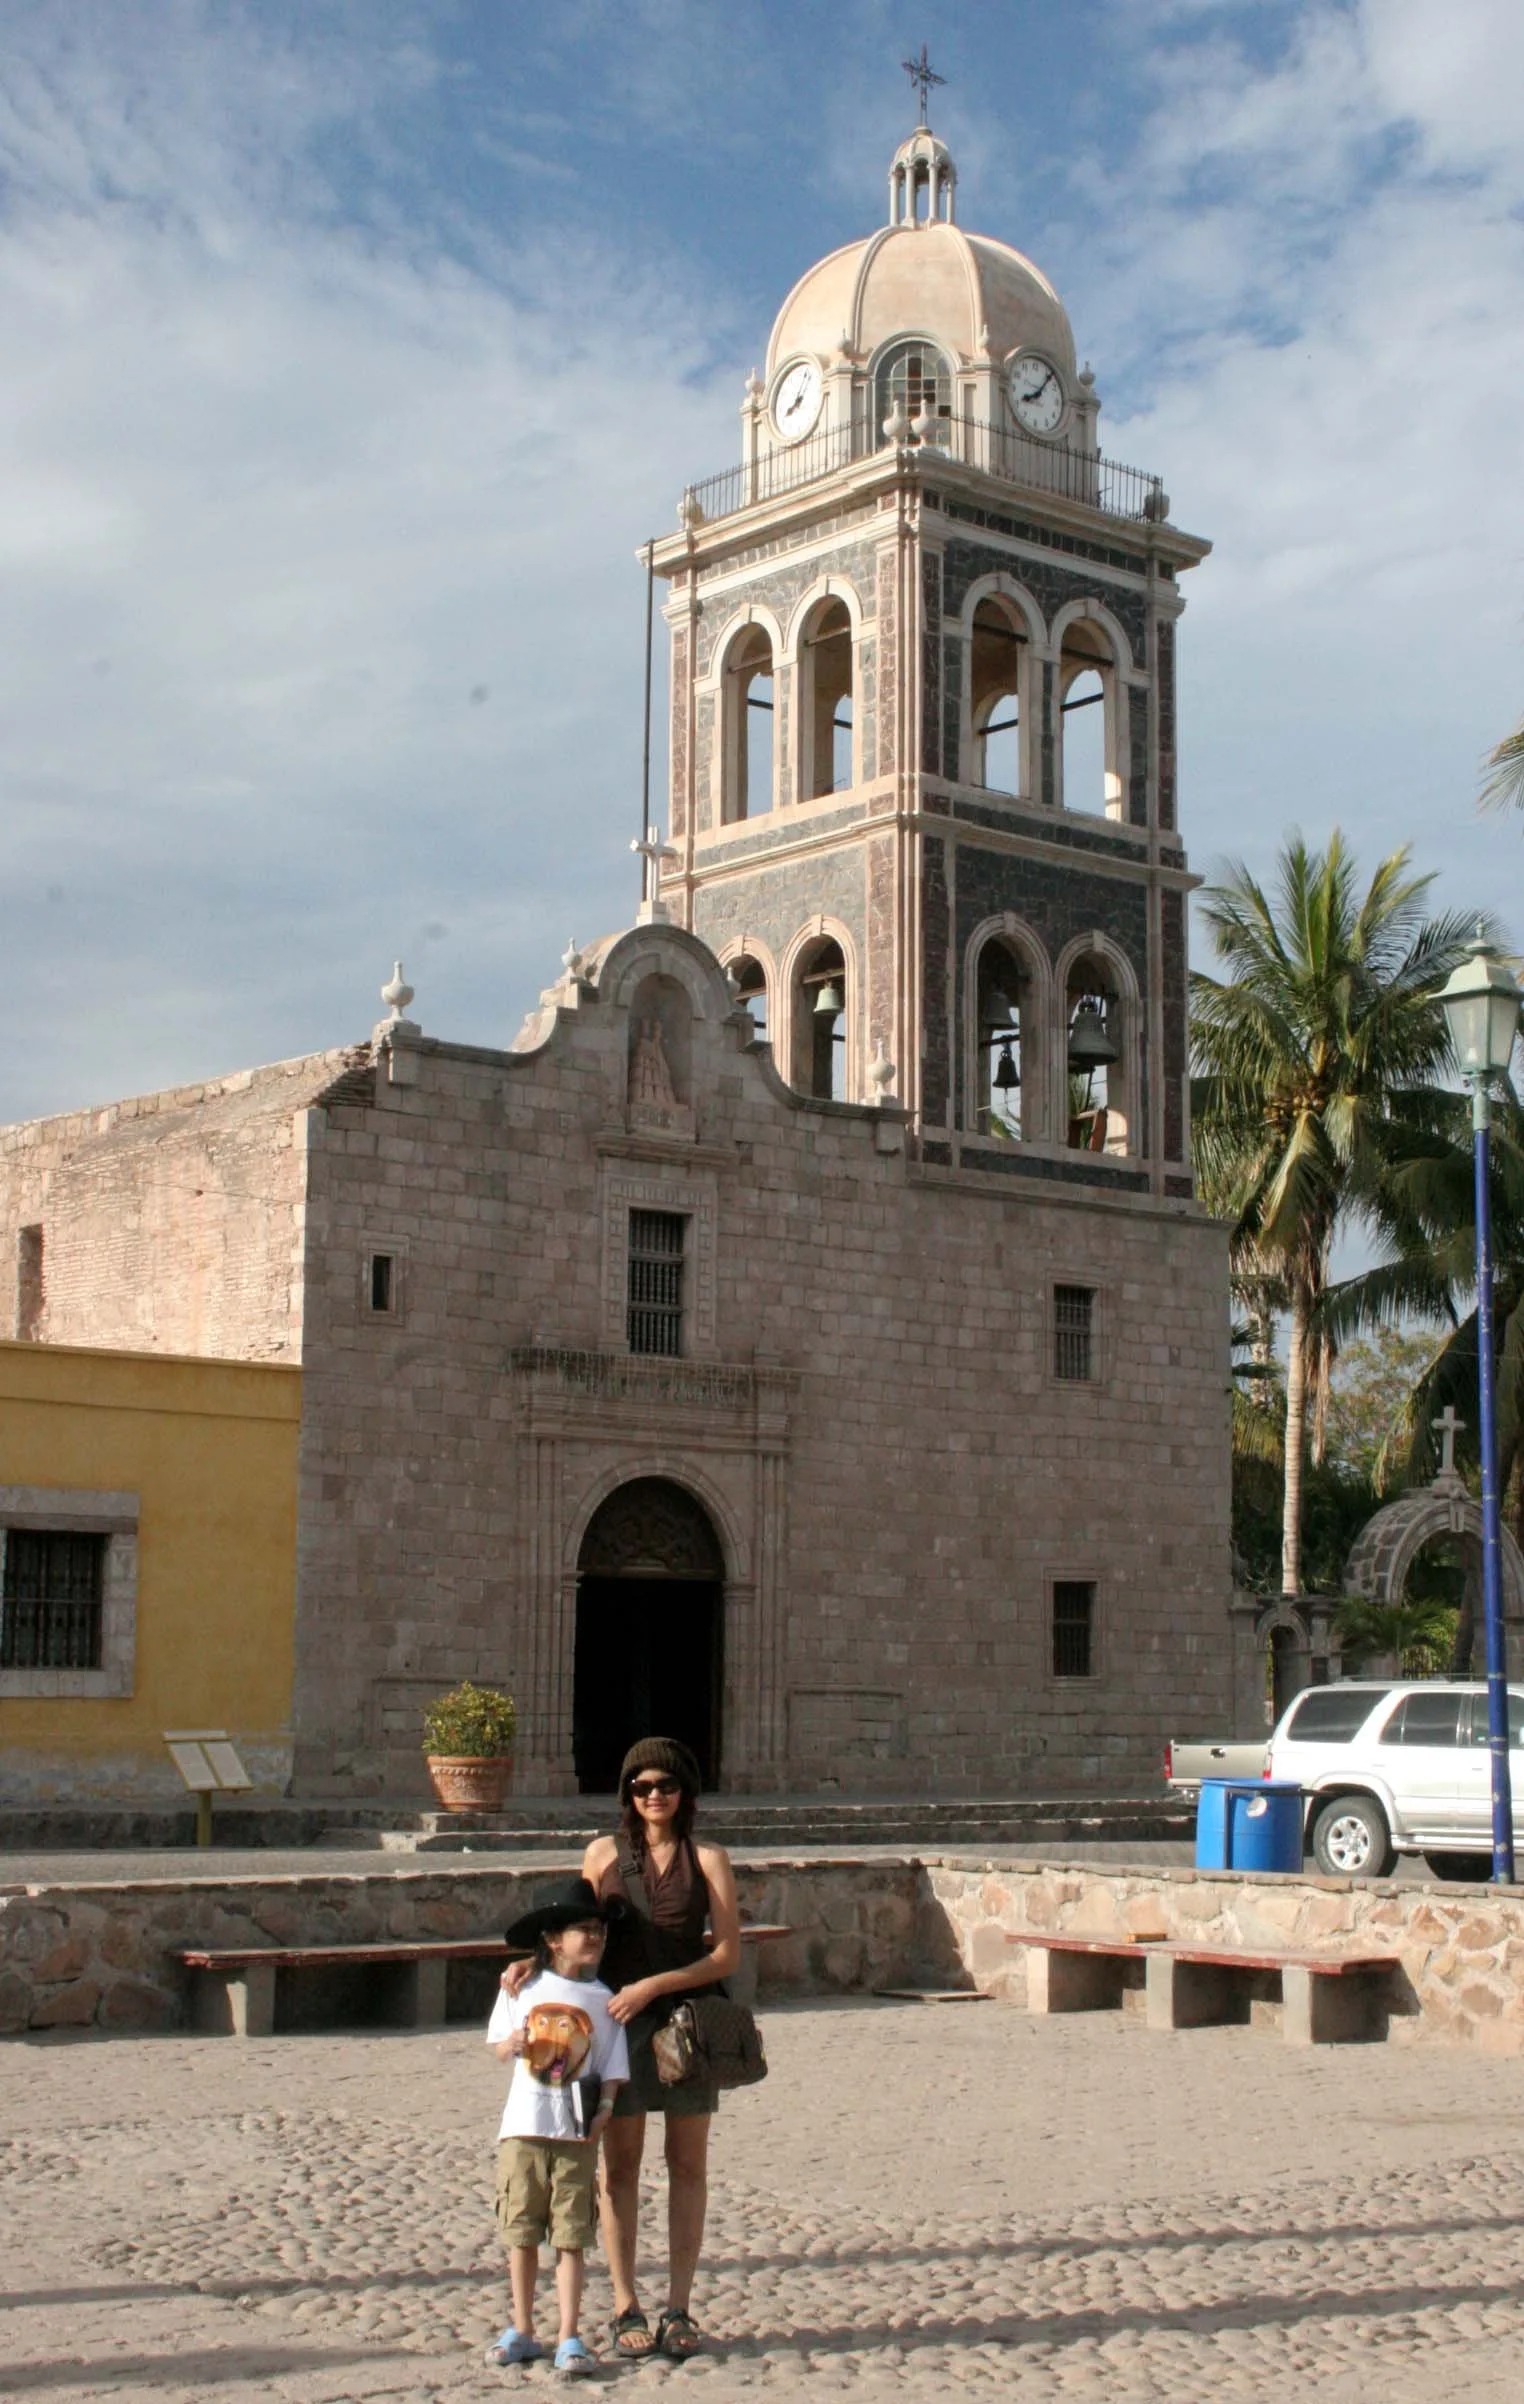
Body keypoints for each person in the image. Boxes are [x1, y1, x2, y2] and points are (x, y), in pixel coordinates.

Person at [502, 1736, 742, 2360]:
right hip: (615, 2025)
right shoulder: (602, 1854)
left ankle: (679, 2306)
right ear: (628, 1795)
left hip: (687, 2022)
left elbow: (726, 1954)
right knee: (620, 2167)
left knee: (688, 2165)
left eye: (666, 1785)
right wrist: (531, 1965)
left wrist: (655, 1986)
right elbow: (575, 1930)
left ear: (685, 1792)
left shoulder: (709, 1858)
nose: (654, 1796)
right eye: (642, 1787)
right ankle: (624, 2304)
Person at [485, 1876, 630, 2377]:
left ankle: (569, 2332)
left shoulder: (605, 2000)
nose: (594, 1937)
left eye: (599, 1929)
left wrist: (605, 2110)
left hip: (575, 2133)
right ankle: (522, 2327)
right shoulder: (523, 1987)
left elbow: (611, 2068)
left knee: (571, 2236)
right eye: (582, 1929)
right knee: (521, 2231)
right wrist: (512, 2046)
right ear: (552, 1939)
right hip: (524, 2127)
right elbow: (498, 2044)